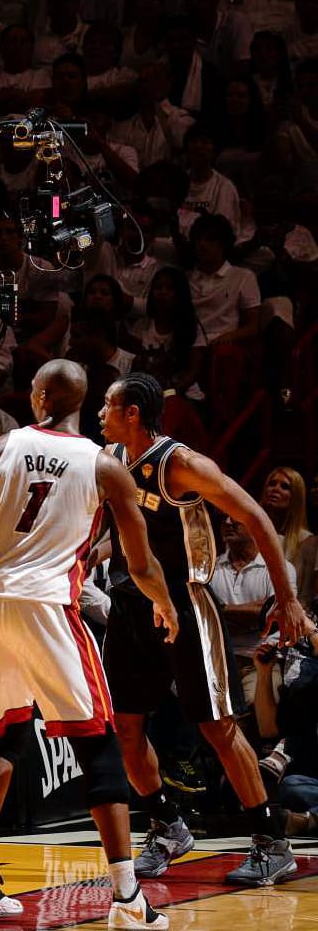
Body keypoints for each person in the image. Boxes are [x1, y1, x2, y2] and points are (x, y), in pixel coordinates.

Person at [0, 360, 178, 931]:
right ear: (79, 401)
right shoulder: (105, 466)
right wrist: (166, 604)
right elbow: (141, 562)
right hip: (49, 606)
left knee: (4, 735)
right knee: (99, 744)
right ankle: (127, 896)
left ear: (38, 396)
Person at [98, 372, 315, 886]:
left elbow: (256, 515)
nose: (99, 412)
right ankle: (167, 825)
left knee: (217, 726)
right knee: (125, 727)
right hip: (131, 604)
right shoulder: (108, 458)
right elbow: (116, 533)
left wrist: (288, 600)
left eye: (109, 404)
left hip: (185, 601)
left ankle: (272, 842)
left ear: (134, 413)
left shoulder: (181, 464)